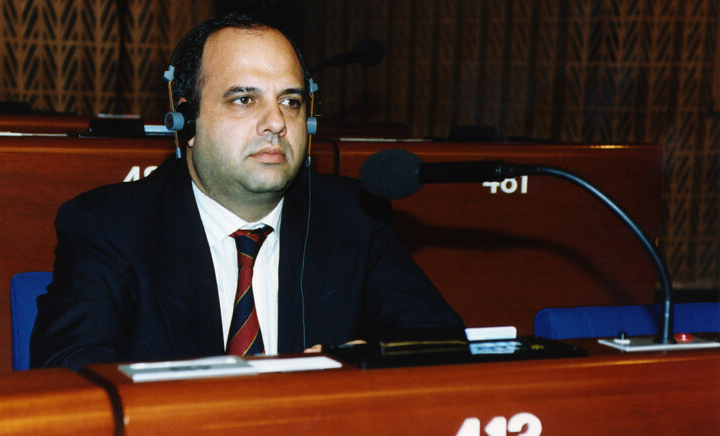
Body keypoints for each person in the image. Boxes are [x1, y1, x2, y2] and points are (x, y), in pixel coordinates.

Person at [30, 12, 463, 370]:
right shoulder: (109, 226)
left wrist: (359, 364)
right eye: (244, 99)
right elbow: (72, 369)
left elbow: (440, 344)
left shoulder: (353, 217)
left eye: (291, 101)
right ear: (188, 122)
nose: (276, 122)